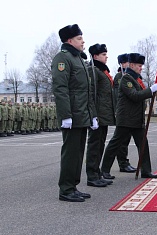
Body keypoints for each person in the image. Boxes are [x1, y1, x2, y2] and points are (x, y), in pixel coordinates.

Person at [52, 24, 98, 202]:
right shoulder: (62, 59)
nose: (83, 41)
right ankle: (65, 189)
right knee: (70, 153)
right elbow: (60, 89)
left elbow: (87, 91)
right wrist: (66, 115)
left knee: (78, 154)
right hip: (72, 115)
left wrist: (92, 114)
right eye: (79, 38)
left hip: (82, 114)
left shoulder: (78, 59)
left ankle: (73, 186)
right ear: (70, 40)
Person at [101, 53, 157, 179]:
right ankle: (104, 170)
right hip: (126, 119)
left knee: (143, 144)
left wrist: (151, 90)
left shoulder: (135, 80)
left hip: (137, 120)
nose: (141, 68)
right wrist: (150, 90)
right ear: (131, 65)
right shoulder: (126, 79)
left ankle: (146, 170)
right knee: (115, 144)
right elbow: (134, 96)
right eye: (139, 65)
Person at [85, 43, 115, 187]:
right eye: (103, 55)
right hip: (97, 115)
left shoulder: (102, 71)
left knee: (100, 145)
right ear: (96, 56)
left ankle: (97, 173)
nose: (106, 57)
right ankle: (91, 175)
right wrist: (93, 115)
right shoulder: (93, 70)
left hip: (104, 115)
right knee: (94, 145)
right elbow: (90, 94)